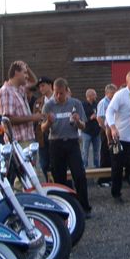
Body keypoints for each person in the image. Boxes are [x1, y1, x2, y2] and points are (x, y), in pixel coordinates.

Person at [41, 78, 92, 216]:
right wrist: (48, 122)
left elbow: (83, 126)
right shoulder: (48, 106)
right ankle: (63, 209)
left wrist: (78, 121)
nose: (58, 96)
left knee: (79, 175)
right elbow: (43, 129)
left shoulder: (75, 104)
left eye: (61, 93)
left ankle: (84, 207)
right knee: (59, 178)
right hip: (55, 143)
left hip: (72, 142)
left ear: (67, 91)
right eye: (56, 93)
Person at [105, 70, 130, 203]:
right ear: (127, 82)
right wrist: (112, 128)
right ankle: (116, 194)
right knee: (117, 166)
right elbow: (109, 111)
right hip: (120, 136)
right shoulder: (120, 95)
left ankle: (129, 173)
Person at [0, 60, 43, 146]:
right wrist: (32, 118)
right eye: (25, 73)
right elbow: (7, 119)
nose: (27, 76)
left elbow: (34, 82)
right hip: (18, 142)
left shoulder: (20, 89)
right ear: (16, 73)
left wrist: (27, 67)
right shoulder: (6, 91)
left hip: (27, 140)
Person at [96, 83, 117, 187]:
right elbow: (99, 118)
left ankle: (111, 177)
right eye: (112, 93)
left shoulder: (114, 102)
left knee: (112, 154)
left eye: (115, 93)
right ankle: (102, 180)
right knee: (105, 155)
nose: (114, 95)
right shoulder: (103, 103)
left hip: (112, 130)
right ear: (107, 93)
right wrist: (106, 130)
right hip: (105, 131)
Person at [33, 76, 54, 180]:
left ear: (50, 85)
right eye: (40, 87)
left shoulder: (57, 99)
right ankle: (49, 182)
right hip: (42, 137)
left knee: (56, 163)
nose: (41, 89)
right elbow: (35, 120)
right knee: (44, 163)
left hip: (55, 135)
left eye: (43, 86)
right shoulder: (38, 102)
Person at [81, 88, 101, 169]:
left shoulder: (97, 104)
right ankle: (84, 166)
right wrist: (90, 118)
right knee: (85, 150)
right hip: (86, 131)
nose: (96, 96)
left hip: (96, 131)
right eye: (94, 95)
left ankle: (97, 166)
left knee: (97, 151)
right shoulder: (83, 105)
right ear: (89, 96)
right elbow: (82, 117)